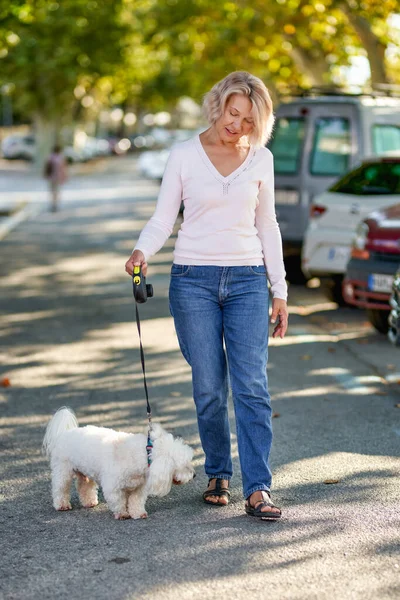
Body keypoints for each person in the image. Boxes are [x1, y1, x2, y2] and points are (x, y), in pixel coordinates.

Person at [125, 71, 288, 520]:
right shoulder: (183, 155)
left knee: (251, 385)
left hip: (248, 281)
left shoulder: (262, 160)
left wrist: (280, 289)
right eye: (233, 113)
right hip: (193, 279)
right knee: (209, 388)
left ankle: (258, 488)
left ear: (261, 123)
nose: (237, 125)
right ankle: (218, 472)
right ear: (218, 105)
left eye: (249, 120)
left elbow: (267, 225)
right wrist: (143, 249)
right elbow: (163, 218)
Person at [44, 145, 67, 212]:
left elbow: (46, 167)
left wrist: (45, 174)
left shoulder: (50, 157)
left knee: (52, 191)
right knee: (56, 191)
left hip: (51, 177)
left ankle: (53, 203)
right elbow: (63, 168)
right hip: (58, 177)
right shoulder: (61, 158)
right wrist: (64, 176)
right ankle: (55, 203)